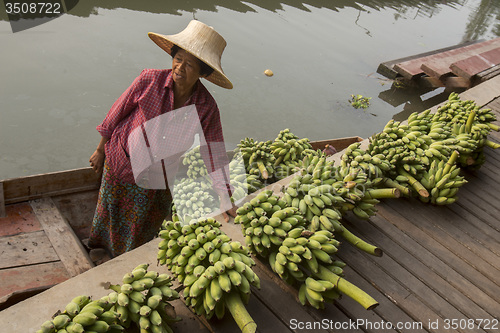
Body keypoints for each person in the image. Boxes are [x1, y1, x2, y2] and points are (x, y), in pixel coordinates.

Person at [87, 20, 236, 257]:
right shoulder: (149, 80)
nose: (179, 68)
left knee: (141, 225)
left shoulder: (206, 107)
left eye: (189, 65)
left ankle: (125, 260)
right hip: (123, 160)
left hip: (158, 175)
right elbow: (116, 112)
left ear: (203, 73)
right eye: (178, 59)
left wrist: (224, 195)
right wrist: (100, 149)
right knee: (110, 212)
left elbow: (214, 152)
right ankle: (98, 248)